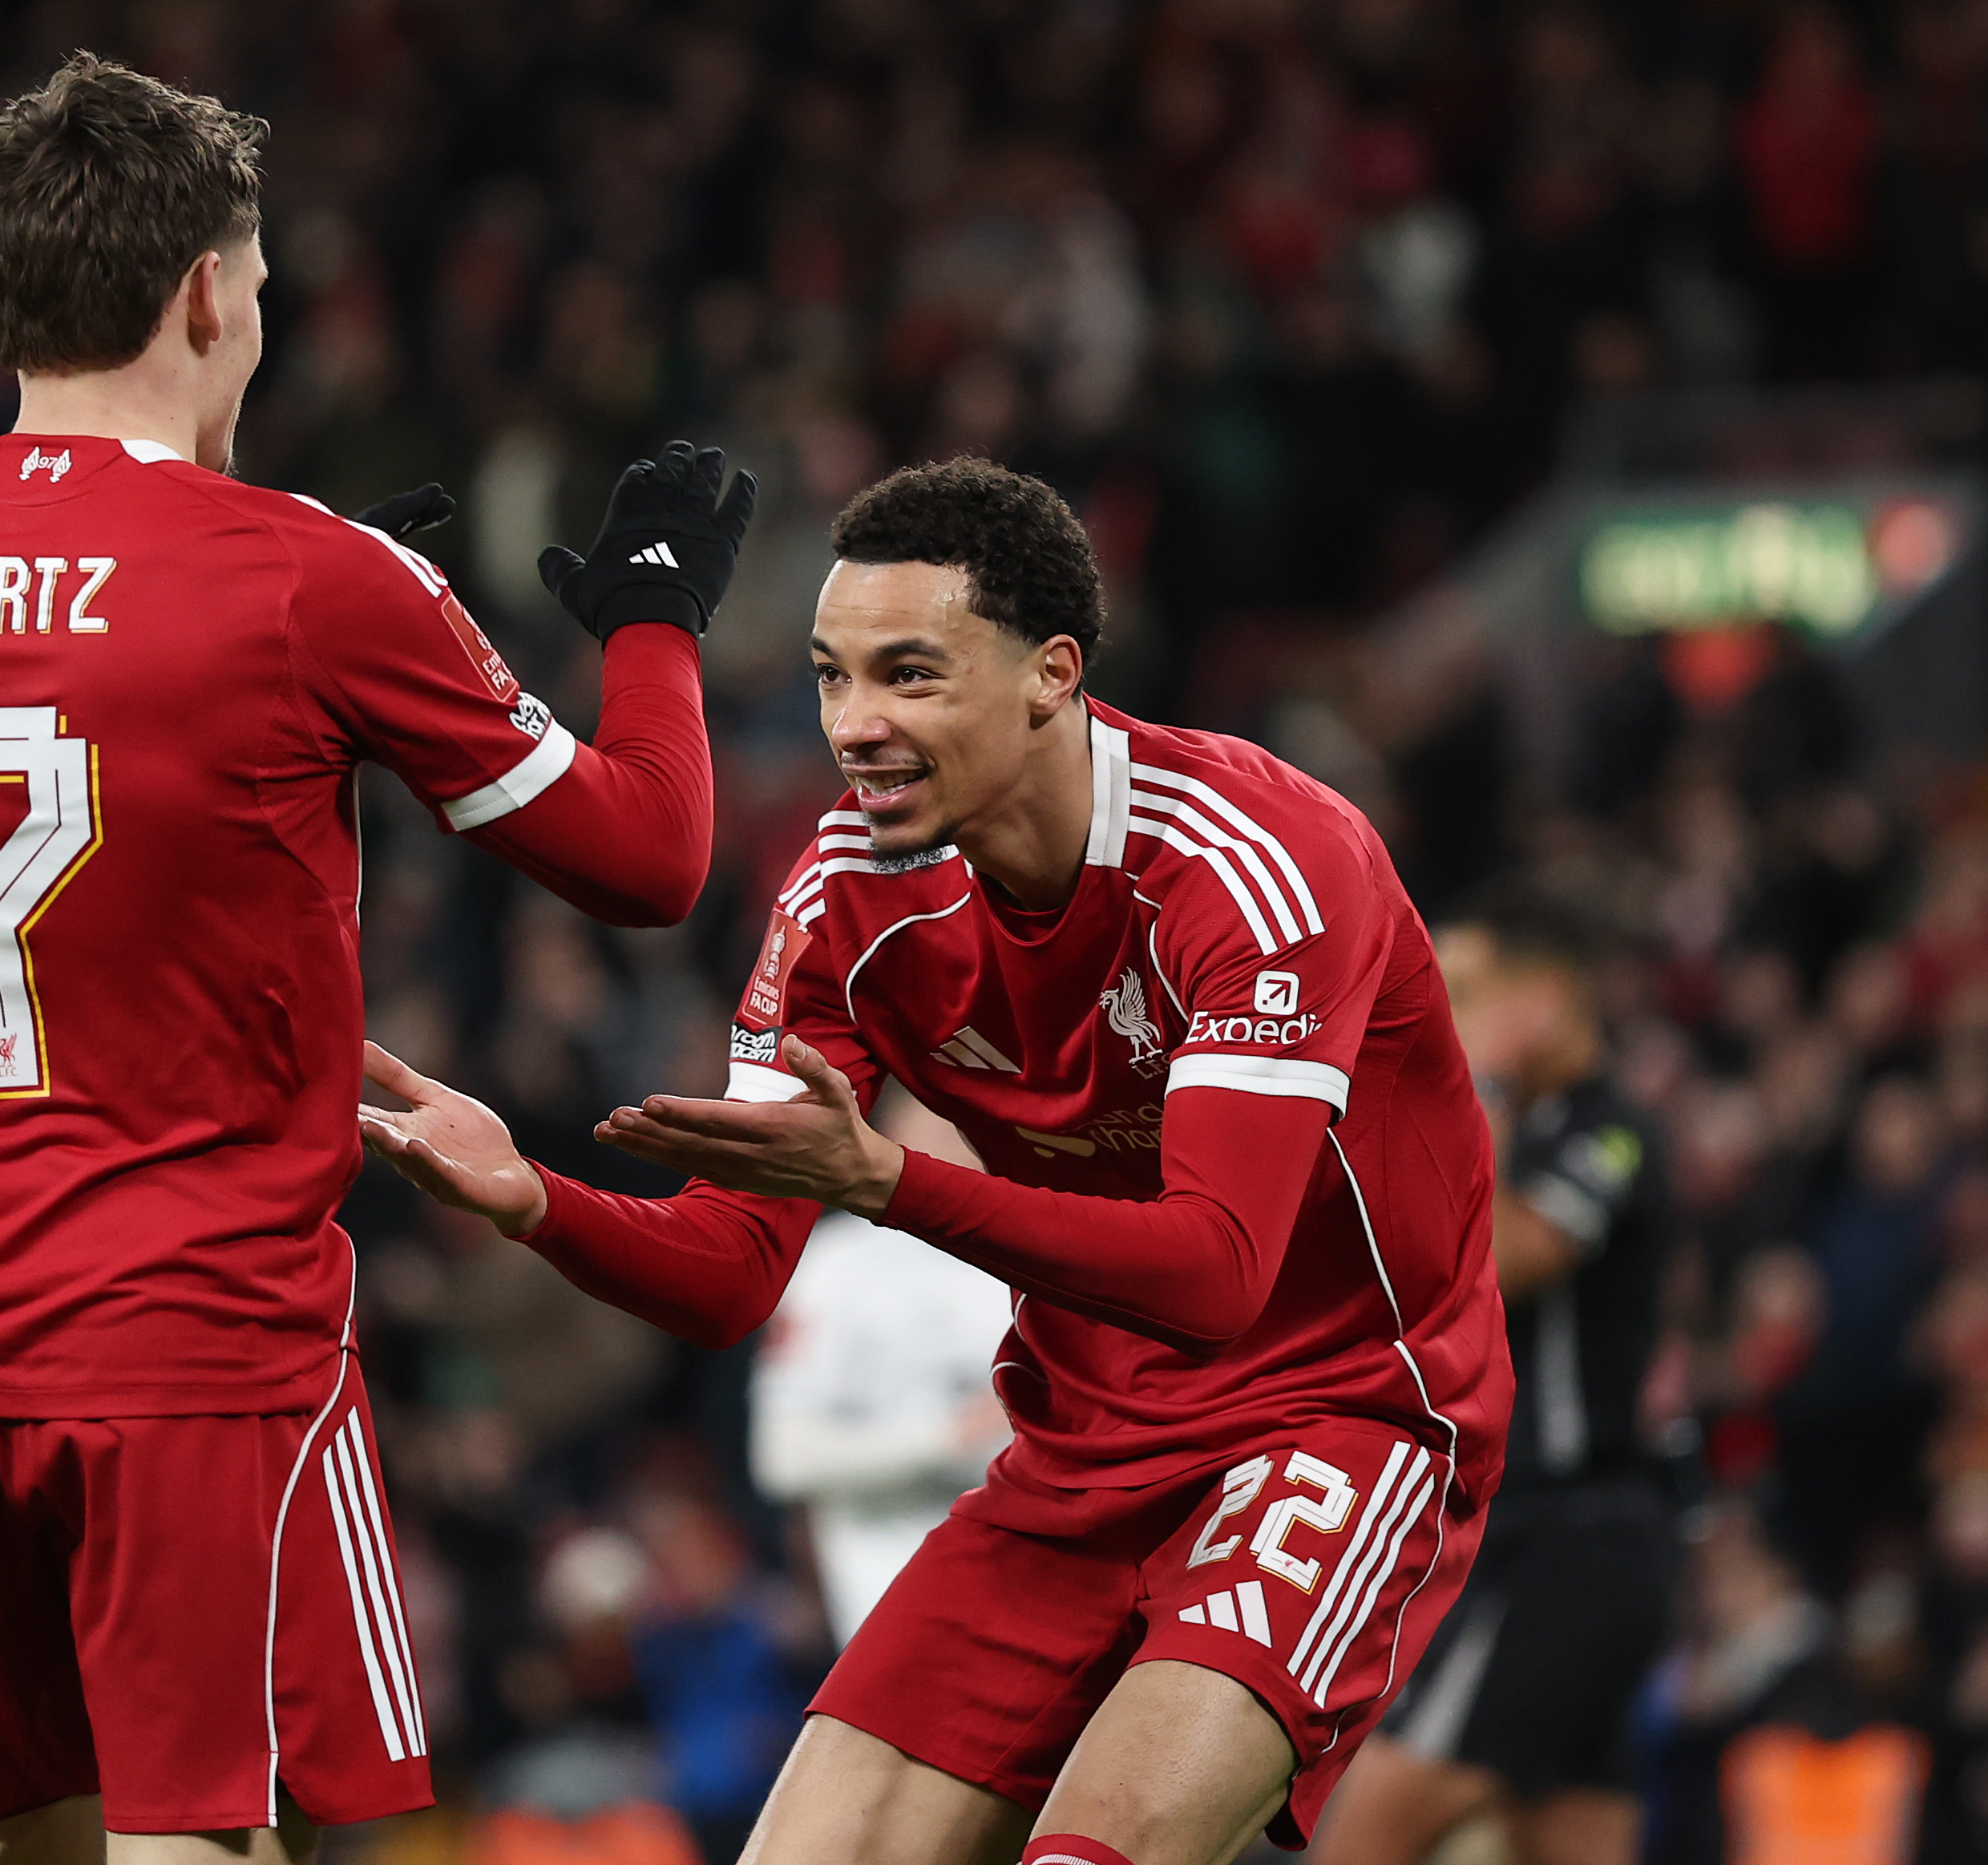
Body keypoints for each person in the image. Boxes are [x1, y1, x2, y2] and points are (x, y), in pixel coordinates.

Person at [0, 55, 757, 1865]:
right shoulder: (309, 579)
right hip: (193, 1331)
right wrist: (649, 624)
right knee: (195, 1841)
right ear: (209, 290)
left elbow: (75, 700)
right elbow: (650, 856)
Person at [361, 456, 1510, 1865]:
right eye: (830, 677)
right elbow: (730, 1275)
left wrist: (888, 1187)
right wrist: (538, 1201)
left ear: (1049, 674)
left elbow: (1216, 1272)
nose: (852, 726)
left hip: (1333, 1418)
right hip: (1079, 1452)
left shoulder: (1256, 863)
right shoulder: (842, 899)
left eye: (907, 675)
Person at [1310, 912, 1678, 1865]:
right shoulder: (1522, 1125)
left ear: (1544, 1000)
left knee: (1367, 1835)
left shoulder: (1610, 1132)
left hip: (1568, 1537)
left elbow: (1509, 1255)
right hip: (1554, 1539)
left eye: (1470, 995)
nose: (1450, 1016)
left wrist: (1476, 1083)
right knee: (1572, 1839)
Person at [750, 1102, 1015, 1645]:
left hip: (1045, 1589)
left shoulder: (1045, 1246)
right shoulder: (835, 1265)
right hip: (896, 1605)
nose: (961, 1137)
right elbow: (782, 1456)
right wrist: (945, 1437)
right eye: (941, 1117)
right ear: (892, 1129)